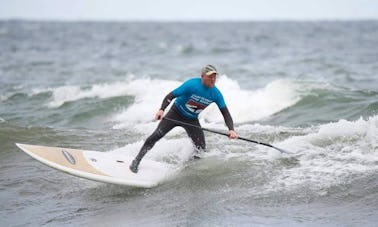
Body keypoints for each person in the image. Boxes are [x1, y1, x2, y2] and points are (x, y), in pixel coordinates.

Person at [129, 65, 238, 173]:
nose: (213, 79)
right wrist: (161, 109)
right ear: (202, 76)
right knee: (155, 136)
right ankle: (136, 161)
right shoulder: (191, 85)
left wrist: (231, 129)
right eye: (210, 77)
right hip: (175, 114)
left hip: (191, 120)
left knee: (201, 149)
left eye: (214, 77)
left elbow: (226, 113)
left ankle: (186, 168)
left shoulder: (216, 94)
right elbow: (170, 96)